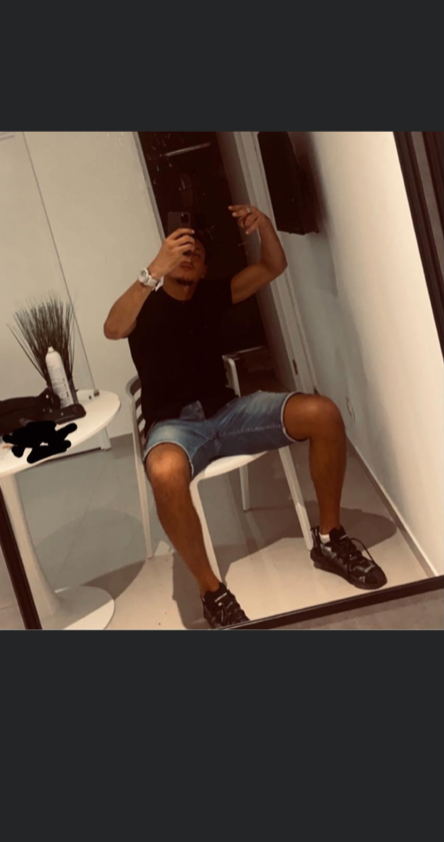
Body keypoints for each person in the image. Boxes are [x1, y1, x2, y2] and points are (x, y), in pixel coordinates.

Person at [104, 204, 387, 628]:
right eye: (181, 250)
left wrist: (266, 226)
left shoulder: (212, 294)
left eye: (197, 253)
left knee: (323, 413)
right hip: (175, 426)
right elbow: (112, 328)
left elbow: (273, 266)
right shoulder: (145, 301)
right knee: (163, 471)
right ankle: (211, 591)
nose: (189, 256)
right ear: (165, 258)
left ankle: (330, 539)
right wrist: (152, 271)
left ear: (204, 270)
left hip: (229, 412)